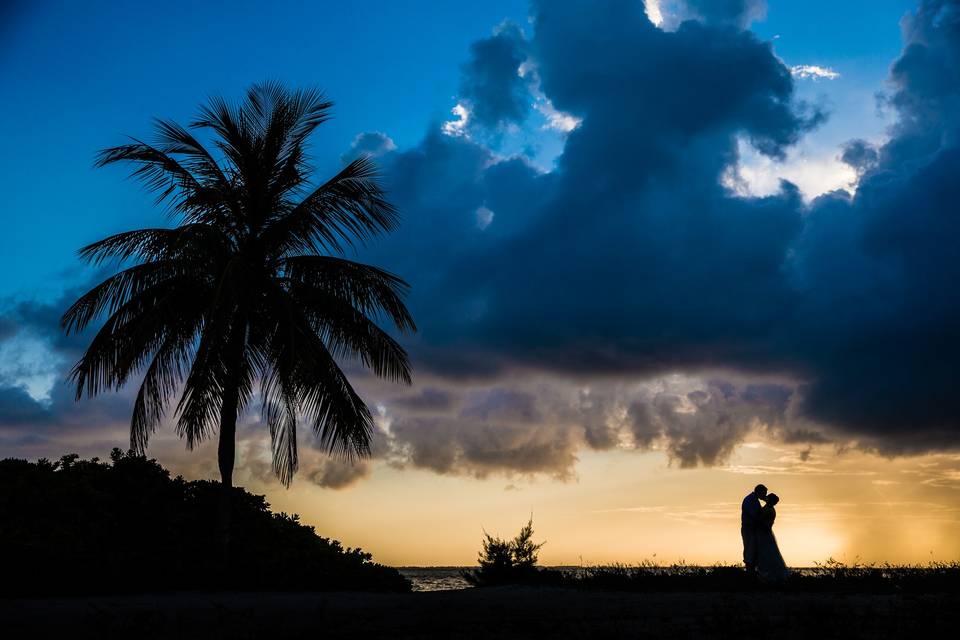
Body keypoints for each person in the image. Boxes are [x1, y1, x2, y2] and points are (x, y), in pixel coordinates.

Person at [755, 493, 789, 582]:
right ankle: (765, 575)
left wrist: (759, 523)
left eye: (767, 497)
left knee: (767, 553)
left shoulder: (770, 510)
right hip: (762, 533)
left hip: (765, 534)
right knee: (764, 553)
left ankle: (769, 576)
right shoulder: (767, 507)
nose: (765, 498)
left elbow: (766, 524)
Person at [740, 484, 767, 577]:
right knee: (749, 550)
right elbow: (755, 516)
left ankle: (751, 572)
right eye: (764, 493)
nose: (765, 496)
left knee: (753, 550)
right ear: (759, 492)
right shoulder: (750, 500)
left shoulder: (753, 499)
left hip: (752, 529)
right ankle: (749, 572)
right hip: (748, 529)